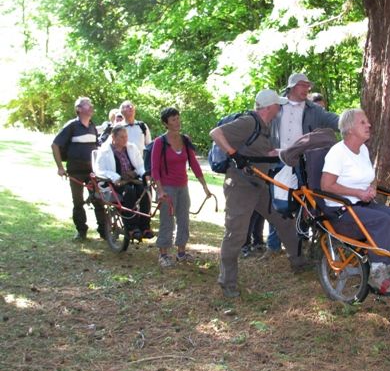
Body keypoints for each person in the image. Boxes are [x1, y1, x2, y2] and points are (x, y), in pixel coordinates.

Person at [210, 89, 315, 298]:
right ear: (269, 107)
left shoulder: (264, 127)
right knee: (236, 233)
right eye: (278, 105)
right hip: (241, 187)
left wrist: (278, 153)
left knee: (284, 219)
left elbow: (258, 153)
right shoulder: (249, 122)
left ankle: (299, 261)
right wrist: (234, 154)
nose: (281, 108)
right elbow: (216, 133)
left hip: (259, 185)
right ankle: (227, 282)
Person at [320, 109, 390, 295]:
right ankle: (377, 274)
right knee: (382, 221)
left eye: (367, 122)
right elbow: (326, 185)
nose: (369, 125)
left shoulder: (363, 149)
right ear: (349, 129)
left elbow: (371, 177)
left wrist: (371, 187)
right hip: (342, 210)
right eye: (363, 122)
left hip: (362, 205)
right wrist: (356, 192)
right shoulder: (337, 152)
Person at [267, 73, 339, 252]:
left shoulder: (314, 110)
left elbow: (335, 120)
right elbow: (262, 124)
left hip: (303, 162)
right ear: (291, 87)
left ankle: (300, 244)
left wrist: (353, 123)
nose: (306, 89)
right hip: (278, 160)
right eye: (302, 85)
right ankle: (273, 246)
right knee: (277, 202)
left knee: (305, 203)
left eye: (308, 86)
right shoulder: (277, 107)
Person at [152, 107, 212, 268]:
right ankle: (163, 254)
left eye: (178, 118)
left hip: (182, 186)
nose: (177, 122)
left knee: (184, 219)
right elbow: (155, 168)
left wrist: (204, 186)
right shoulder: (160, 142)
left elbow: (194, 164)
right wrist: (160, 190)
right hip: (167, 187)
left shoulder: (185, 140)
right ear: (166, 123)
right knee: (167, 221)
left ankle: (181, 253)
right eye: (173, 119)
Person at [51, 96, 106, 241]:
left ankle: (104, 231)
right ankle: (81, 231)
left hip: (93, 171)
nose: (91, 107)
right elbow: (55, 145)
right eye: (87, 105)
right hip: (75, 171)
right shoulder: (72, 126)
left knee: (98, 199)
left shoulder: (93, 126)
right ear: (79, 109)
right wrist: (60, 168)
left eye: (91, 105)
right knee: (78, 201)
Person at [93, 124, 151, 239]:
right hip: (115, 182)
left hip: (132, 179)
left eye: (126, 136)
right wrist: (117, 177)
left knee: (144, 192)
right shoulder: (105, 151)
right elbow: (100, 170)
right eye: (122, 137)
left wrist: (141, 174)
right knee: (129, 192)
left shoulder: (131, 148)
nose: (125, 139)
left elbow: (140, 165)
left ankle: (144, 227)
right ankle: (132, 228)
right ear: (113, 137)